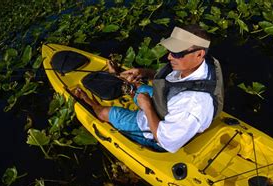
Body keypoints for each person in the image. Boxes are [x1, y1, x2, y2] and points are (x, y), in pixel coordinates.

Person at [75, 25, 224, 153]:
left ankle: (89, 102)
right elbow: (171, 79)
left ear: (199, 54)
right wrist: (145, 73)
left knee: (105, 112)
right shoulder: (199, 66)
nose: (169, 57)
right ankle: (117, 76)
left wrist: (146, 106)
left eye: (177, 53)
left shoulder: (194, 103)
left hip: (155, 133)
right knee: (137, 85)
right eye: (170, 51)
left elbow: (167, 141)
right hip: (167, 105)